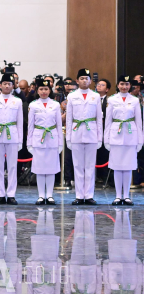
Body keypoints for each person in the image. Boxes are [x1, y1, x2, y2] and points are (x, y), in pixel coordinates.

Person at [65, 68, 102, 205]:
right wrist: (68, 138)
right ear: (77, 80)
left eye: (87, 78)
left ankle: (89, 195)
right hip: (76, 133)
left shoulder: (95, 96)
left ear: (90, 81)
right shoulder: (72, 96)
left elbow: (99, 119)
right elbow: (69, 119)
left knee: (90, 166)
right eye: (81, 78)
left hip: (91, 132)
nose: (84, 81)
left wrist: (99, 138)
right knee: (78, 166)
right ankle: (80, 195)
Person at [104, 75, 143, 205]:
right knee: (116, 167)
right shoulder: (112, 99)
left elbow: (139, 121)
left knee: (128, 167)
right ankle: (117, 196)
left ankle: (126, 196)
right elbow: (108, 121)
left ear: (130, 86)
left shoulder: (135, 100)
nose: (124, 87)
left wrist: (140, 140)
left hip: (131, 135)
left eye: (127, 84)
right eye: (122, 84)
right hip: (116, 134)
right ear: (118, 85)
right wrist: (107, 139)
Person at [0, 73, 23, 205]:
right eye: (5, 84)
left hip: (12, 134)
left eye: (9, 84)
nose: (7, 86)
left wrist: (20, 140)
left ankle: (11, 194)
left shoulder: (17, 101)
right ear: (0, 85)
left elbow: (20, 122)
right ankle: (0, 194)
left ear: (13, 86)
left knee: (12, 166)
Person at [65, 211, 100, 294]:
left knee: (78, 241)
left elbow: (68, 290)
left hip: (75, 273)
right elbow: (97, 290)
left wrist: (68, 270)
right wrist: (98, 270)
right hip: (90, 274)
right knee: (90, 241)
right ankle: (89, 215)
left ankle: (79, 214)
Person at [27, 79, 63, 205]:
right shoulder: (33, 105)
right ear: (37, 91)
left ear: (50, 90)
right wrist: (29, 142)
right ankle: (41, 195)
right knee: (40, 168)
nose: (44, 92)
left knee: (51, 168)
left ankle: (50, 195)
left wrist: (60, 143)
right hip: (38, 137)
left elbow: (59, 125)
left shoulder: (55, 105)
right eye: (41, 89)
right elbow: (30, 125)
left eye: (46, 89)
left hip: (52, 137)